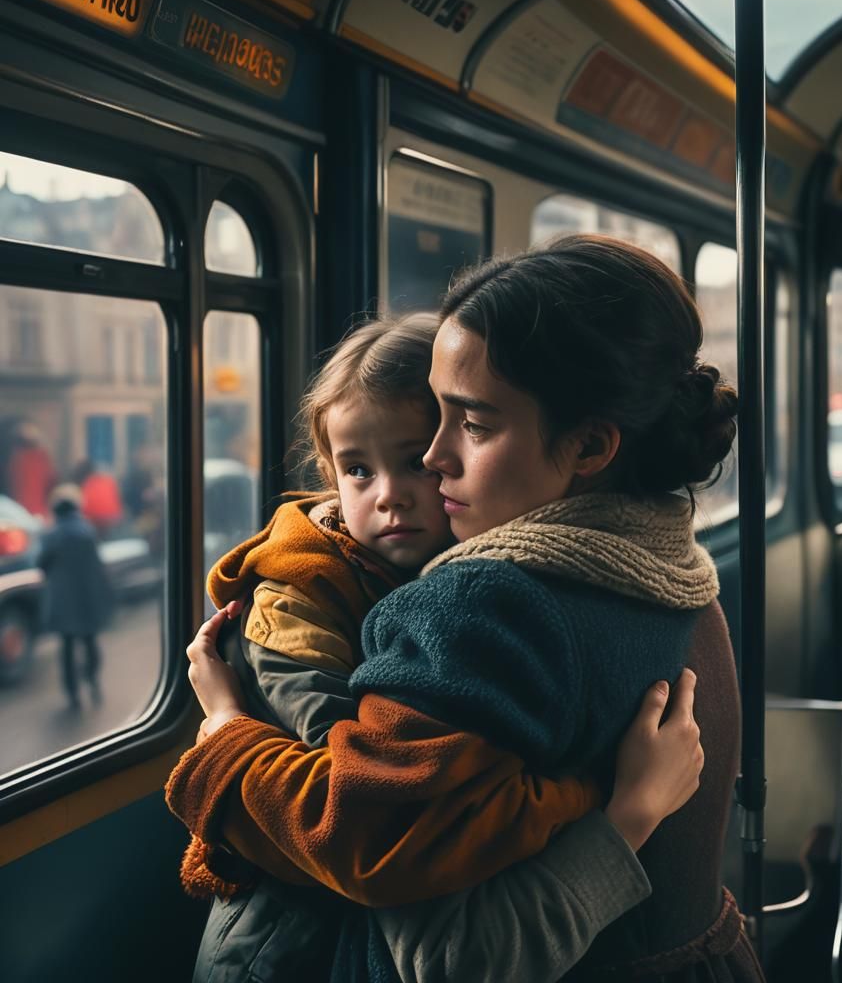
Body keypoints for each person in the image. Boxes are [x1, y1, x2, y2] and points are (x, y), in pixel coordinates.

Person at [168, 235, 760, 981]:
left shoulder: (481, 607)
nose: (438, 459)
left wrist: (225, 732)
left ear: (590, 446)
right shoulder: (676, 565)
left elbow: (449, 959)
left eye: (473, 425)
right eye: (439, 418)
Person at [38, 483, 113, 708]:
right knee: (90, 641)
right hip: (86, 596)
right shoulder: (87, 531)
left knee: (67, 647)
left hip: (63, 599)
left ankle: (72, 694)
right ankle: (92, 680)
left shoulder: (52, 534)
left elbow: (41, 563)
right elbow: (98, 565)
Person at [6, 420, 55, 519]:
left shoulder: (17, 459)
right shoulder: (41, 457)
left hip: (21, 510)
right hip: (37, 510)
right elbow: (52, 479)